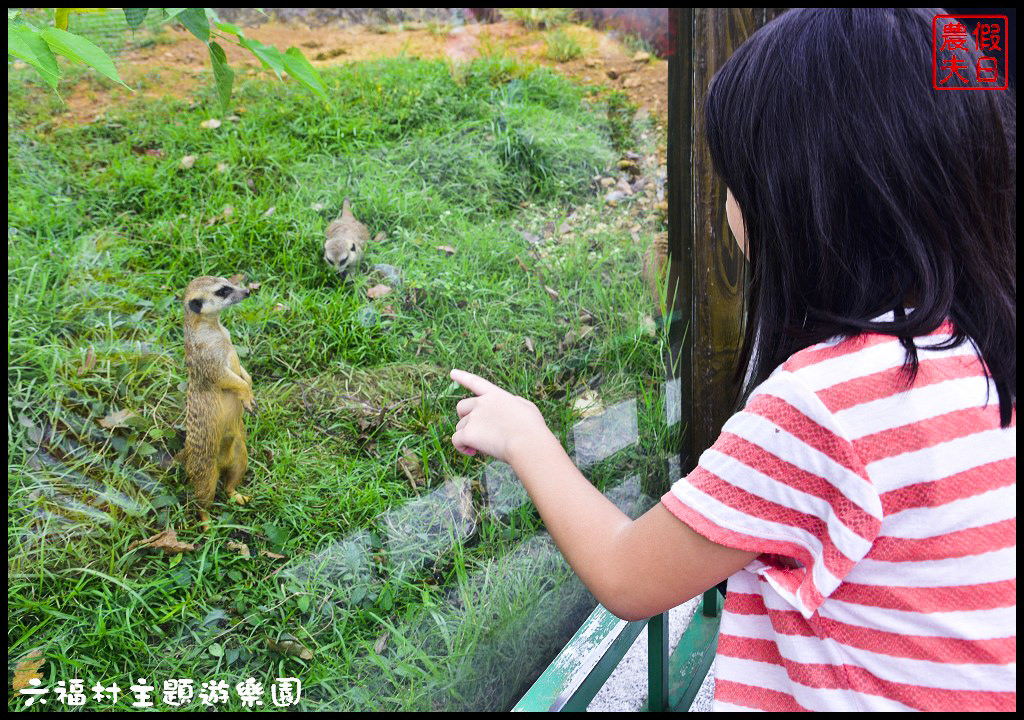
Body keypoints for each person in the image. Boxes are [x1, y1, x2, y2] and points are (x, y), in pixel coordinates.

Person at [450, 8, 1015, 713]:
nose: (725, 200)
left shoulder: (820, 411)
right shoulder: (976, 353)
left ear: (803, 201)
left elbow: (630, 577)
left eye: (735, 177)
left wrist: (523, 434)